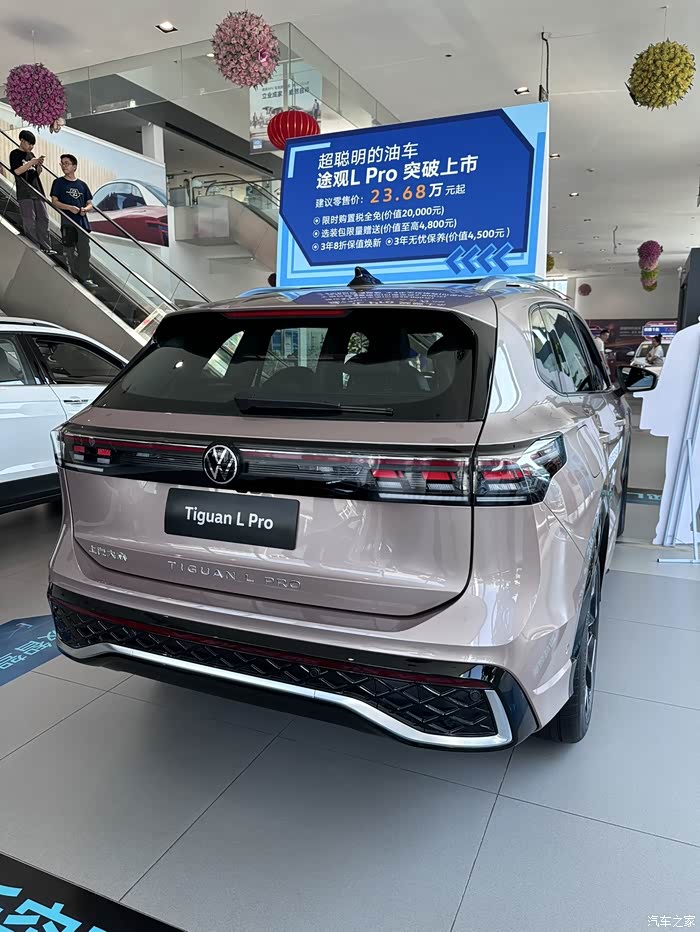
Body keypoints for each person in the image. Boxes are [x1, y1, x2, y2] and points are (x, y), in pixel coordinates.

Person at [50, 154, 97, 290]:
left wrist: (85, 210)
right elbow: (54, 202)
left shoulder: (82, 185)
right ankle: (69, 276)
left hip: (82, 225)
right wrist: (70, 208)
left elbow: (90, 204)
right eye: (62, 163)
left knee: (85, 252)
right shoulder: (58, 183)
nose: (64, 166)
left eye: (67, 163)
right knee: (68, 251)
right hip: (68, 223)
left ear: (74, 167)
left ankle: (84, 278)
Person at [9, 129, 56, 255]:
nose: (31, 147)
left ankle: (46, 247)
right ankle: (34, 246)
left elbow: (36, 174)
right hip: (24, 192)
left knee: (44, 218)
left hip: (37, 190)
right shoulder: (14, 154)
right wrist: (30, 163)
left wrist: (38, 165)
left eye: (33, 144)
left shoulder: (31, 155)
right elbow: (17, 171)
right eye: (29, 143)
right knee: (29, 219)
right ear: (22, 141)